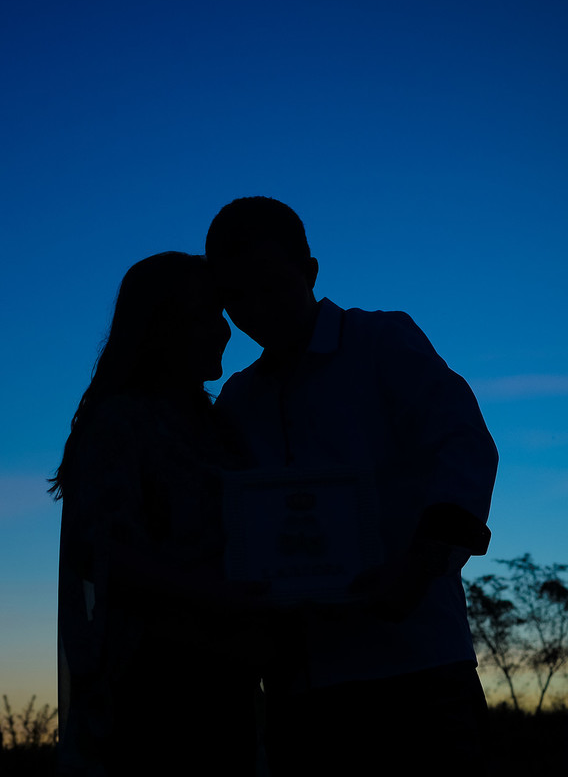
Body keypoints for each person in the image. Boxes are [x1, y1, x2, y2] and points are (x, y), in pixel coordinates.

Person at [205, 196, 497, 777]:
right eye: (236, 296)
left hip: (417, 670)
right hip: (301, 691)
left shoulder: (383, 342)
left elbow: (464, 447)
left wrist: (417, 567)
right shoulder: (238, 400)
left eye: (271, 287)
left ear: (310, 273)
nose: (256, 309)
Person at [50, 251, 262, 776]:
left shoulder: (218, 425)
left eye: (221, 315)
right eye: (201, 317)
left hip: (227, 672)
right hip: (152, 678)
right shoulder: (121, 420)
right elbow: (95, 551)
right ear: (159, 327)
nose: (221, 331)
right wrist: (217, 591)